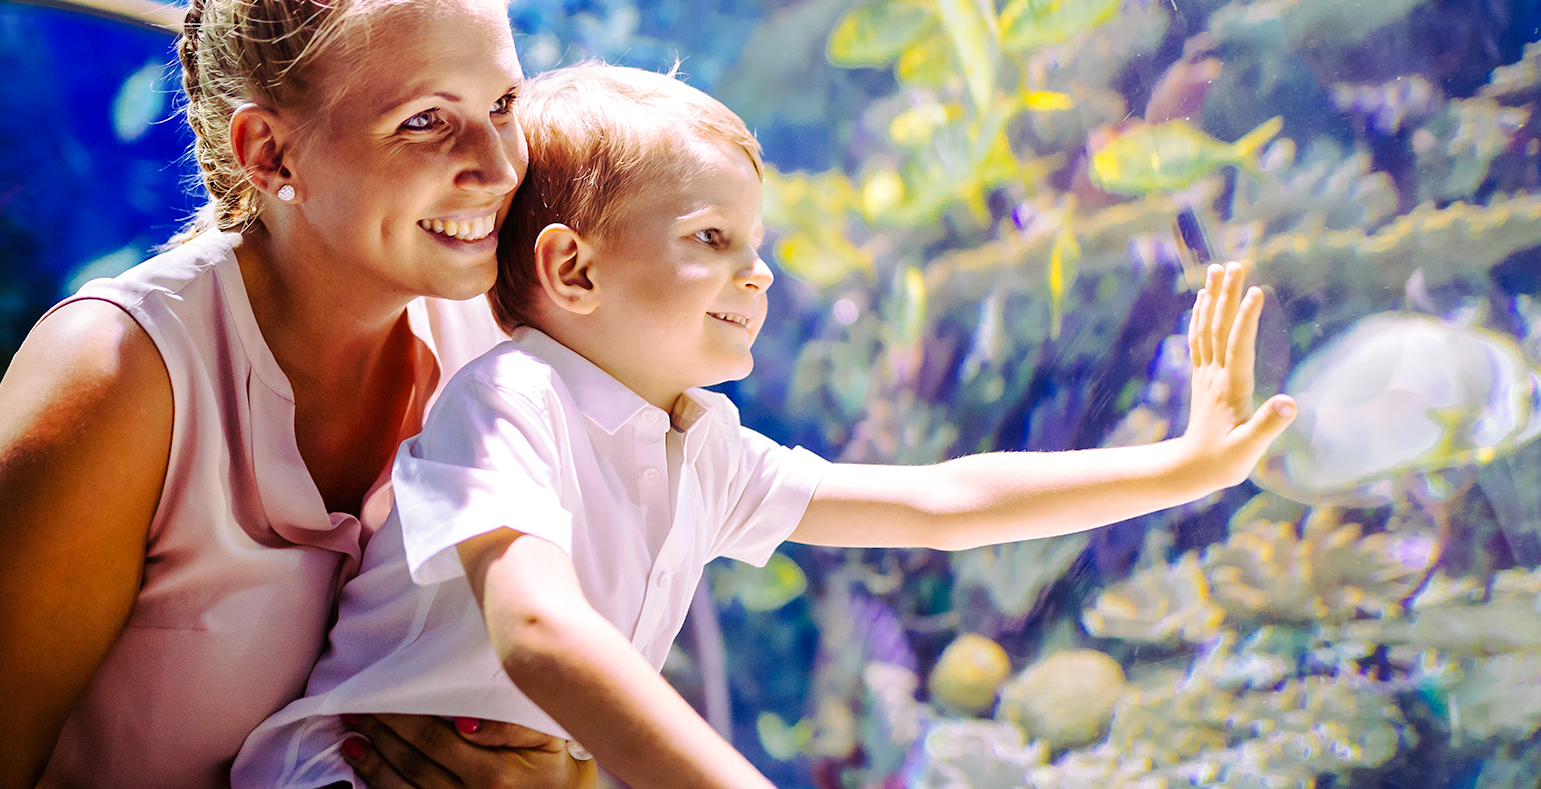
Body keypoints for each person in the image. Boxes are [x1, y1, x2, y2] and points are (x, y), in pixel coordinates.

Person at [233, 63, 1299, 789]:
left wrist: (1182, 464)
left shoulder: (703, 445)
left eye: (757, 238)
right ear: (572, 266)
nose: (760, 269)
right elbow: (538, 632)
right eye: (712, 236)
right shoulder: (516, 399)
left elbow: (942, 503)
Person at [0, 0, 593, 789]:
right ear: (270, 152)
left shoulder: (508, 340)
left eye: (503, 103)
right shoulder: (123, 372)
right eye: (424, 120)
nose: (499, 163)